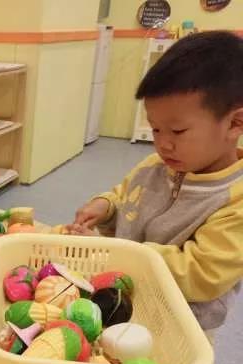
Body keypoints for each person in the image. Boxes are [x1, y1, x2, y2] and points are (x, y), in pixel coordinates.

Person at [69, 31, 243, 339]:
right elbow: (126, 196)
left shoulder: (234, 199)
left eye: (177, 131)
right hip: (124, 298)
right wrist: (105, 206)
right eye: (155, 129)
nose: (163, 144)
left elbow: (202, 273)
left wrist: (114, 252)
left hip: (178, 326)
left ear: (235, 123)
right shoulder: (156, 166)